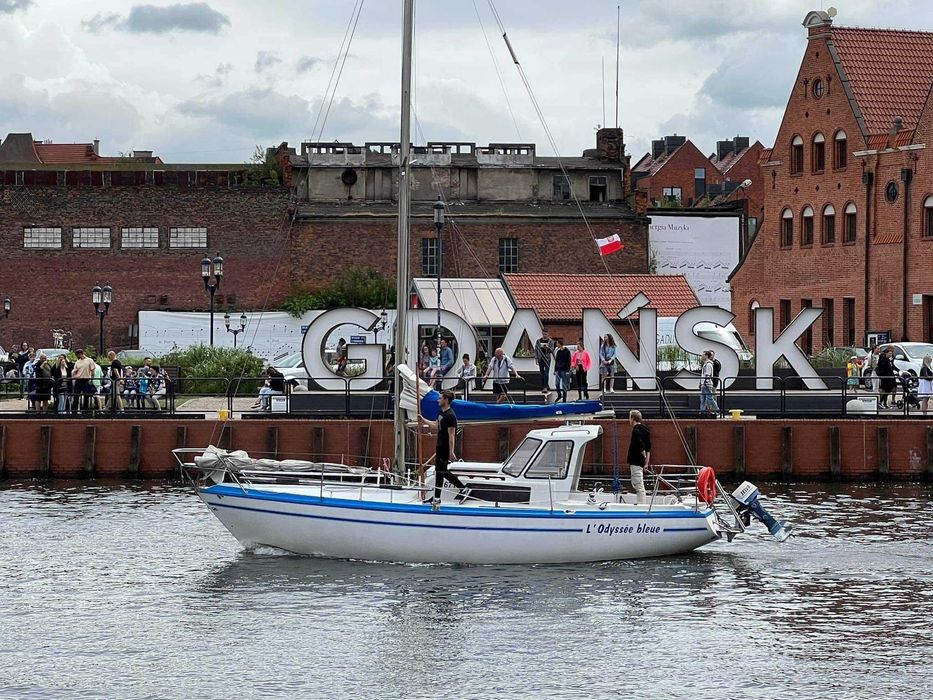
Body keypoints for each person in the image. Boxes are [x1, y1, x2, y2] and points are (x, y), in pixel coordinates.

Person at [420, 389, 466, 507]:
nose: (438, 400)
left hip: (445, 447)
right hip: (439, 446)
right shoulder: (441, 413)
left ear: (446, 400)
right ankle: (436, 498)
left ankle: (463, 489)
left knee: (442, 471)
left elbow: (452, 435)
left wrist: (451, 452)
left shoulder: (451, 416)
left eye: (440, 398)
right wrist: (423, 419)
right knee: (439, 473)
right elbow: (436, 425)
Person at [627, 410, 651, 504]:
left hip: (635, 460)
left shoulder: (636, 430)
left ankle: (641, 504)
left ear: (633, 419)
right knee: (637, 482)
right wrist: (646, 463)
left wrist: (644, 456)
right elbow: (648, 447)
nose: (629, 420)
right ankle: (641, 502)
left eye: (629, 418)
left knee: (637, 483)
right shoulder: (646, 430)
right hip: (641, 462)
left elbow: (640, 445)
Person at [71, 348, 96, 413]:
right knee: (76, 396)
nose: (77, 357)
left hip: (86, 379)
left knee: (86, 396)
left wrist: (91, 379)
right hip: (78, 380)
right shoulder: (77, 362)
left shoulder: (89, 360)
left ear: (81, 354)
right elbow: (75, 370)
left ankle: (85, 410)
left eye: (78, 355)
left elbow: (93, 370)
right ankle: (74, 411)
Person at [534, 330, 555, 395]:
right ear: (542, 334)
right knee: (542, 373)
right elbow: (536, 350)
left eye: (546, 334)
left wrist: (547, 347)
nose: (544, 336)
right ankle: (542, 386)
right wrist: (536, 358)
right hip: (540, 359)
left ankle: (545, 387)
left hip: (547, 359)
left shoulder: (551, 341)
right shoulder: (538, 341)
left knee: (546, 373)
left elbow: (552, 350)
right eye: (543, 334)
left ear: (548, 334)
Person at [700, 350, 719, 416]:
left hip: (707, 384)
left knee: (709, 398)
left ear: (706, 356)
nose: (702, 356)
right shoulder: (706, 364)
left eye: (703, 355)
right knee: (703, 398)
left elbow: (707, 374)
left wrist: (704, 383)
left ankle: (717, 410)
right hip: (705, 384)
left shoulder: (708, 364)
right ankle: (702, 411)